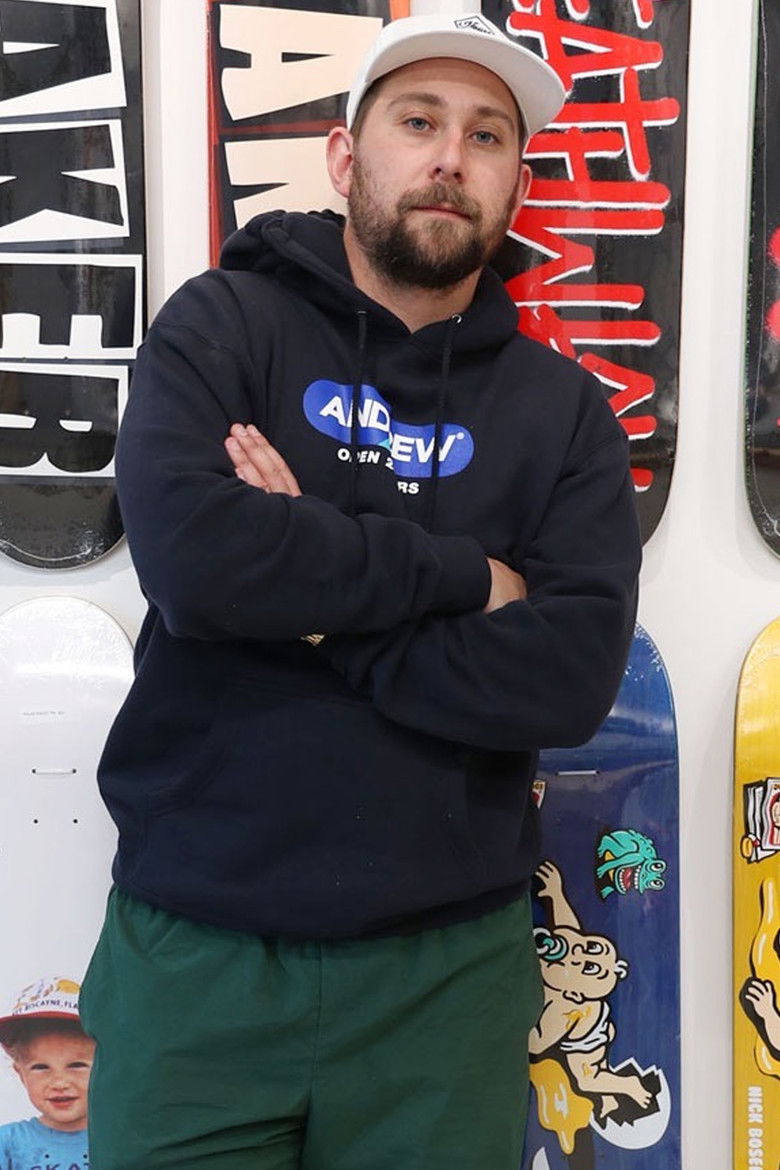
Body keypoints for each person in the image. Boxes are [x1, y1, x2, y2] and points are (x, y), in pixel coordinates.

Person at [80, 13, 642, 1170]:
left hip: (445, 976)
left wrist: (309, 598)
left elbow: (568, 678)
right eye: (418, 121)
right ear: (346, 158)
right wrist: (461, 577)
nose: (450, 158)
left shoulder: (564, 414)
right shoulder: (221, 325)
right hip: (196, 956)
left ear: (515, 183)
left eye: (486, 136)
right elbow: (196, 564)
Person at [0, 978, 92, 1170]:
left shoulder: (127, 1140)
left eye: (76, 1065)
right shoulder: (7, 1143)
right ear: (21, 1074)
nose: (59, 1083)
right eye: (41, 1067)